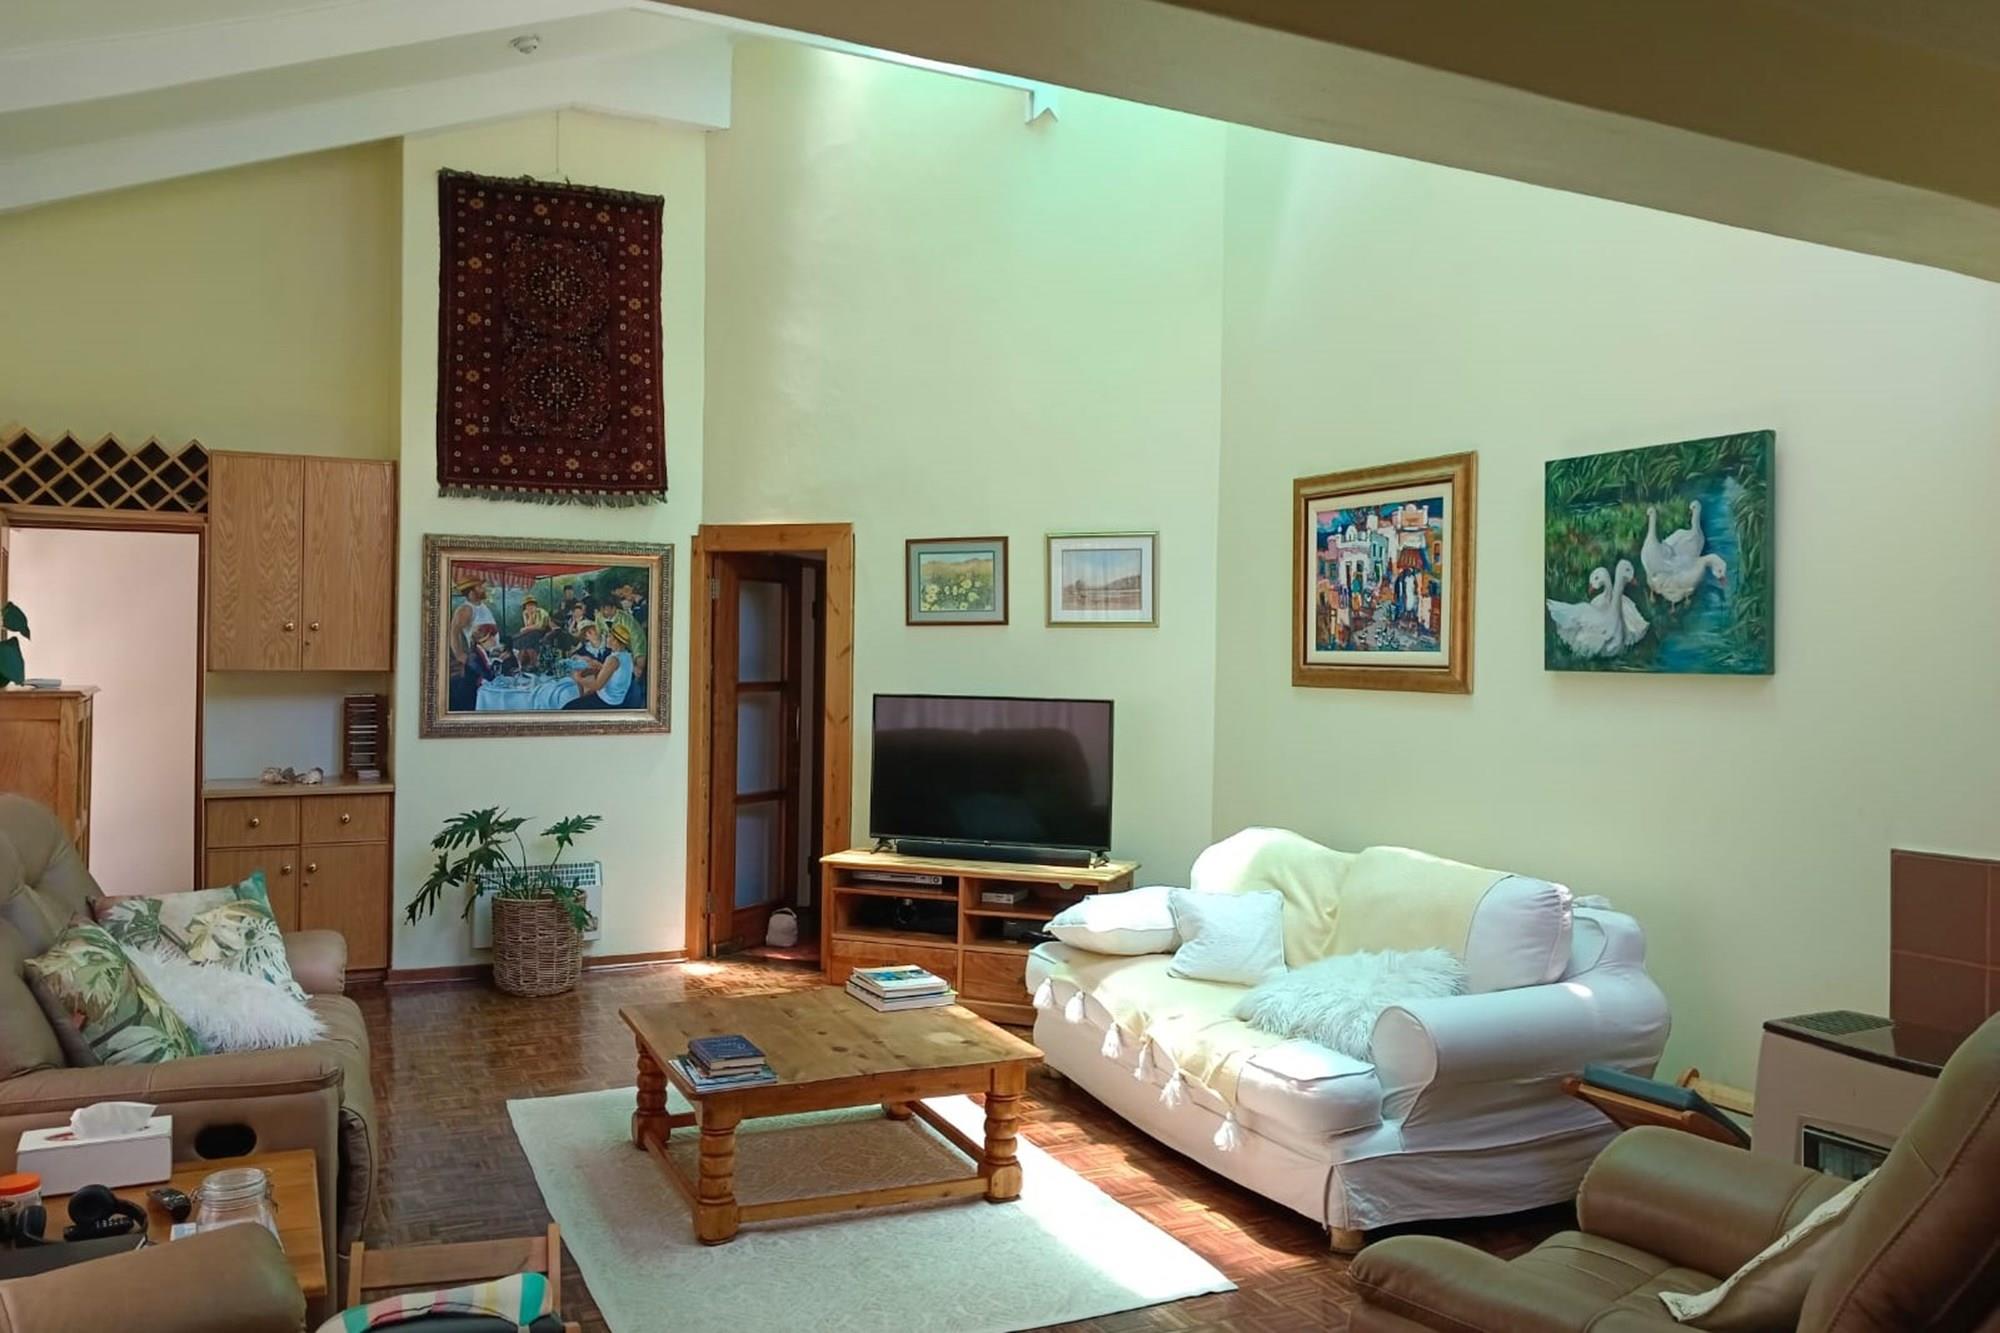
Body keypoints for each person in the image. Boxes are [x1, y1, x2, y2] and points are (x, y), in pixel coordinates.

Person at [564, 620, 637, 710]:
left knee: (568, 707)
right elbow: (612, 673)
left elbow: (597, 686)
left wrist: (578, 678)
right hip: (617, 699)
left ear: (615, 641)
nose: (606, 638)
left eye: (609, 636)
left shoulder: (613, 659)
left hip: (608, 701)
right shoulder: (627, 655)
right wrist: (596, 668)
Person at [514, 594, 550, 671]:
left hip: (543, 631)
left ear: (535, 605)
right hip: (531, 631)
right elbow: (528, 625)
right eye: (527, 605)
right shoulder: (525, 613)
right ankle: (520, 662)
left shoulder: (541, 612)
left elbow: (539, 626)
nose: (530, 607)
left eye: (532, 605)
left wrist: (525, 628)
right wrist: (530, 615)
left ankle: (533, 663)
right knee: (518, 638)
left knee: (530, 637)